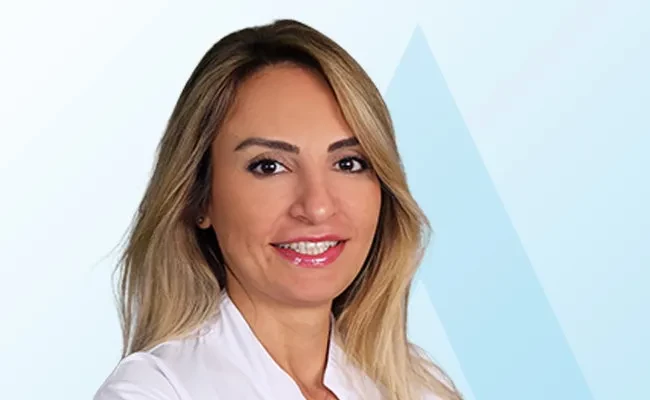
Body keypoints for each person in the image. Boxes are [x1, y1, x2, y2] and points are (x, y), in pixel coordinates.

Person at [94, 18, 463, 400]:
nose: (317, 207)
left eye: (348, 163)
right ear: (198, 197)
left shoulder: (418, 385)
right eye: (269, 166)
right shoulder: (154, 391)